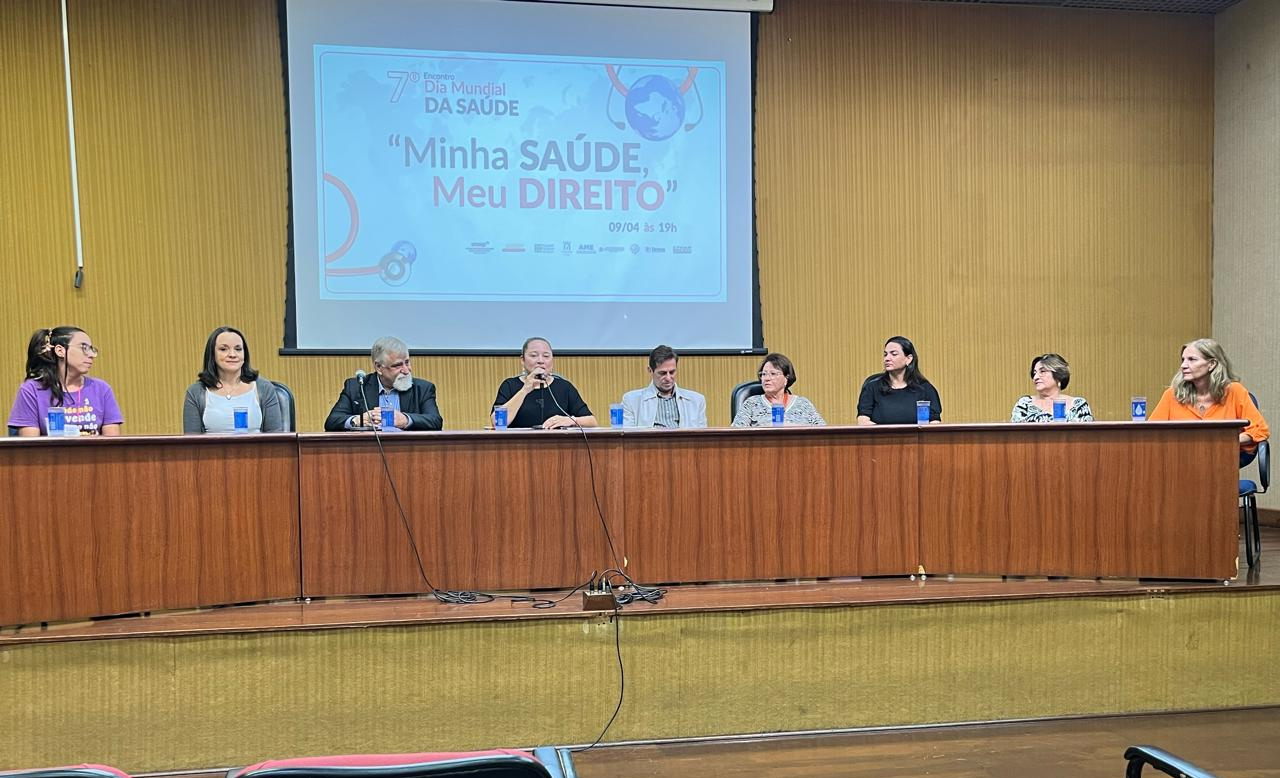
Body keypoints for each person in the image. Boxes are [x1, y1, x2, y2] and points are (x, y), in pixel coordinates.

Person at [1148, 338, 1268, 455]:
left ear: (1212, 364)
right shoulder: (1172, 394)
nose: (1183, 365)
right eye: (1183, 360)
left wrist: (1224, 441)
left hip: (1223, 459)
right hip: (1180, 459)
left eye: (1192, 359)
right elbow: (1150, 433)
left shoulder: (1235, 391)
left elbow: (1260, 430)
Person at [8, 326, 123, 436]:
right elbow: (31, 446)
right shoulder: (31, 390)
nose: (91, 355)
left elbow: (112, 444)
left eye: (91, 349)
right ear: (60, 351)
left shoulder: (102, 389)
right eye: (84, 348)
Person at [323, 336, 443, 431]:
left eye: (407, 362)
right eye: (398, 365)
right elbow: (332, 421)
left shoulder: (423, 389)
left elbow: (435, 421)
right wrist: (358, 420)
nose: (406, 370)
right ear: (379, 367)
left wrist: (406, 420)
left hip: (410, 451)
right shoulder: (356, 387)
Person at [182, 326, 284, 434]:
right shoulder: (196, 392)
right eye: (223, 349)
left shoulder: (264, 389)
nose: (232, 354)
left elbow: (276, 440)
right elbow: (192, 442)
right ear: (212, 354)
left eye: (238, 349)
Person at [492, 337, 596, 429]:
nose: (540, 361)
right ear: (522, 360)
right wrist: (525, 390)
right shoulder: (509, 386)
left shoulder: (565, 387)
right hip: (518, 444)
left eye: (546, 356)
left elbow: (592, 421)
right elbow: (497, 422)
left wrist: (571, 420)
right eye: (534, 355)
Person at [857, 336, 942, 425]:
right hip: (881, 434)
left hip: (916, 434)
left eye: (894, 354)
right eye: (885, 354)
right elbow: (863, 420)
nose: (887, 358)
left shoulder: (925, 388)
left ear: (908, 359)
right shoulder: (872, 387)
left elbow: (934, 422)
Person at [620, 345, 707, 429]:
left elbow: (702, 437)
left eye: (672, 372)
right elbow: (627, 436)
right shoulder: (631, 401)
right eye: (662, 373)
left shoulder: (697, 401)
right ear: (650, 370)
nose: (668, 378)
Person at [731, 352, 825, 427]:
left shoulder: (803, 404)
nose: (766, 378)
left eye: (773, 374)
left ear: (786, 378)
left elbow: (823, 431)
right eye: (764, 374)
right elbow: (735, 433)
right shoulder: (752, 404)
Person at [1010, 353, 1093, 423]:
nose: (1035, 377)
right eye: (1034, 373)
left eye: (1042, 371)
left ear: (1058, 375)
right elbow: (1015, 434)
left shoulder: (1079, 405)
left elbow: (1088, 435)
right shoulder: (1024, 404)